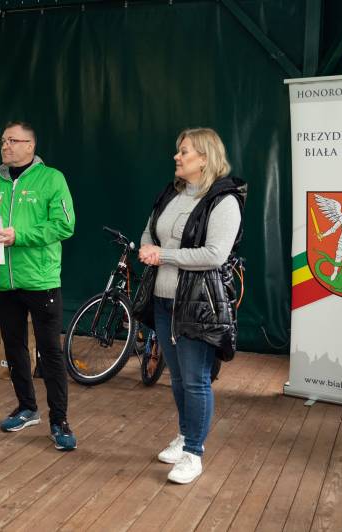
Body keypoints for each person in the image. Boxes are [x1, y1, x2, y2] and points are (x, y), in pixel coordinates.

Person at [138, 127, 246, 483]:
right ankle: (185, 436)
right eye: (178, 150)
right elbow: (151, 229)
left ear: (204, 158)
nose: (177, 156)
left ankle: (194, 453)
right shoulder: (172, 192)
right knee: (178, 378)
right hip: (163, 301)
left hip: (198, 304)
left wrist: (163, 255)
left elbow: (214, 255)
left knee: (196, 380)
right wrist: (148, 247)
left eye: (184, 151)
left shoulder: (224, 200)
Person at [0, 121, 77, 451]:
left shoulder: (52, 179)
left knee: (50, 352)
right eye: (3, 141)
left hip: (41, 280)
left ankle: (59, 421)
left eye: (13, 141)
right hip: (4, 282)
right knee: (14, 347)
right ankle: (27, 408)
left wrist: (20, 236)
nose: (6, 146)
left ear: (30, 146)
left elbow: (64, 225)